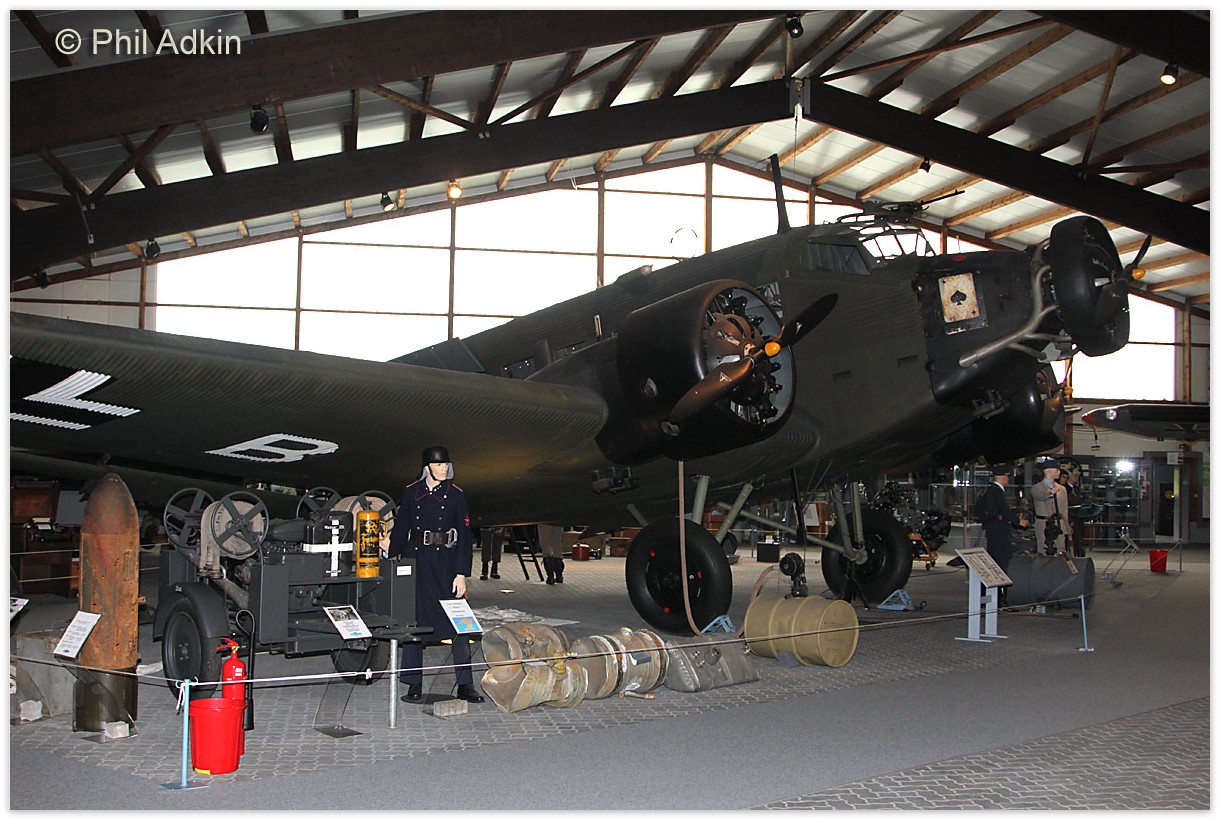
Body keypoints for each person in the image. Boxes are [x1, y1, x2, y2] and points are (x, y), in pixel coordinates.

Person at [387, 445, 485, 704]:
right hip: (417, 560)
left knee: (459, 622)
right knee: (414, 622)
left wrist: (461, 573)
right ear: (427, 467)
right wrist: (390, 554)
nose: (444, 469)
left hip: (445, 563)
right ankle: (413, 682)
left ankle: (465, 684)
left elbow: (465, 537)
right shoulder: (411, 492)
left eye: (445, 465)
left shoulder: (456, 495)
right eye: (439, 465)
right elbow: (402, 527)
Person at [974, 464, 1028, 584]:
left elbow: (978, 508)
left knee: (995, 557)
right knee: (1001, 559)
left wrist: (986, 521)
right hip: (1000, 530)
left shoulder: (990, 490)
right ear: (1003, 477)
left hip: (994, 528)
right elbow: (1004, 510)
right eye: (1007, 476)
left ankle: (996, 587)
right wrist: (1018, 521)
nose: (1007, 479)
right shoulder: (997, 491)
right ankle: (1000, 588)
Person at [1030, 459, 1071, 556]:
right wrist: (1050, 492)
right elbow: (1040, 496)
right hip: (1043, 524)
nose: (1059, 472)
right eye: (1057, 470)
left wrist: (1066, 527)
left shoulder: (1062, 489)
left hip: (1058, 524)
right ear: (1049, 471)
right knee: (1043, 551)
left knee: (1061, 551)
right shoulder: (1037, 488)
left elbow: (1064, 509)